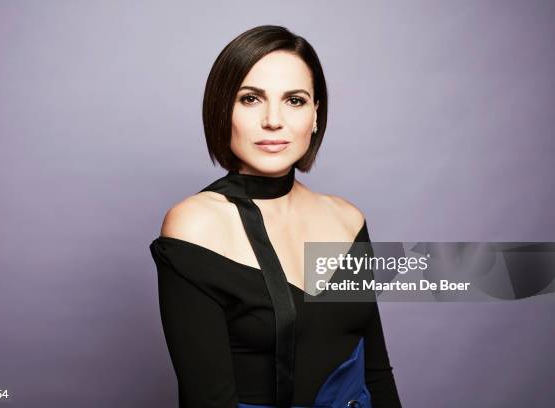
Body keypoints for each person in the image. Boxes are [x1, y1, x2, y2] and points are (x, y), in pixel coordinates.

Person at [149, 25, 402, 408]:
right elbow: (207, 399)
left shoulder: (347, 219)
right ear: (222, 110)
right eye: (250, 99)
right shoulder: (195, 225)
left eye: (295, 101)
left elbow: (376, 372)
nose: (273, 120)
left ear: (316, 115)